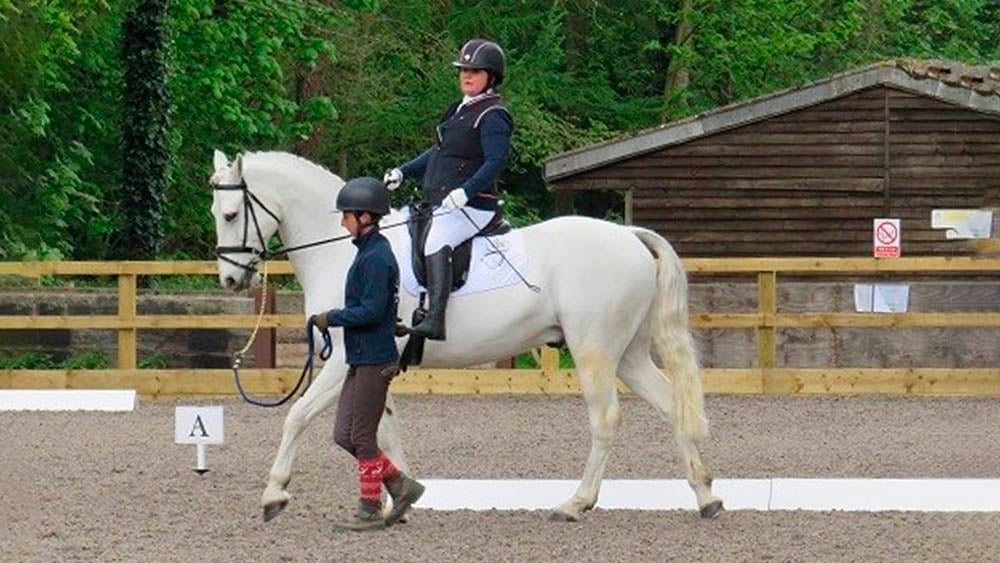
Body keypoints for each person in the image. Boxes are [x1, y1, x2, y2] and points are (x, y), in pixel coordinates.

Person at [310, 176, 424, 531]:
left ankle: (370, 508)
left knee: (362, 437)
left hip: (374, 359)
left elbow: (371, 311)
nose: (342, 222)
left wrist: (332, 317)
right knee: (344, 434)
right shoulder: (367, 253)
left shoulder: (376, 258)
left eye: (346, 215)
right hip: (361, 356)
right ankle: (402, 485)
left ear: (365, 217)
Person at [383, 38, 514, 340]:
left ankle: (435, 319)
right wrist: (404, 171)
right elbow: (438, 153)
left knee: (436, 240)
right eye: (463, 70)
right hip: (443, 202)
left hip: (474, 206)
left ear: (490, 77)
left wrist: (467, 191)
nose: (466, 76)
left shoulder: (493, 115)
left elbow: (496, 161)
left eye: (475, 71)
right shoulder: (458, 109)